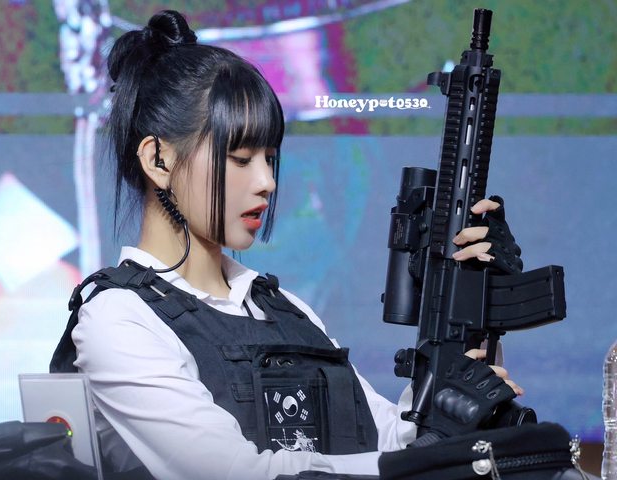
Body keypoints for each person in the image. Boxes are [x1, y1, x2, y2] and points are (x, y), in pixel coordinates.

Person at [50, 10, 524, 480]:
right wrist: (430, 453)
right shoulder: (118, 319)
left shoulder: (285, 310)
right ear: (158, 159)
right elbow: (237, 473)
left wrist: (471, 326)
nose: (267, 182)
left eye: (270, 159)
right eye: (240, 159)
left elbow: (389, 440)